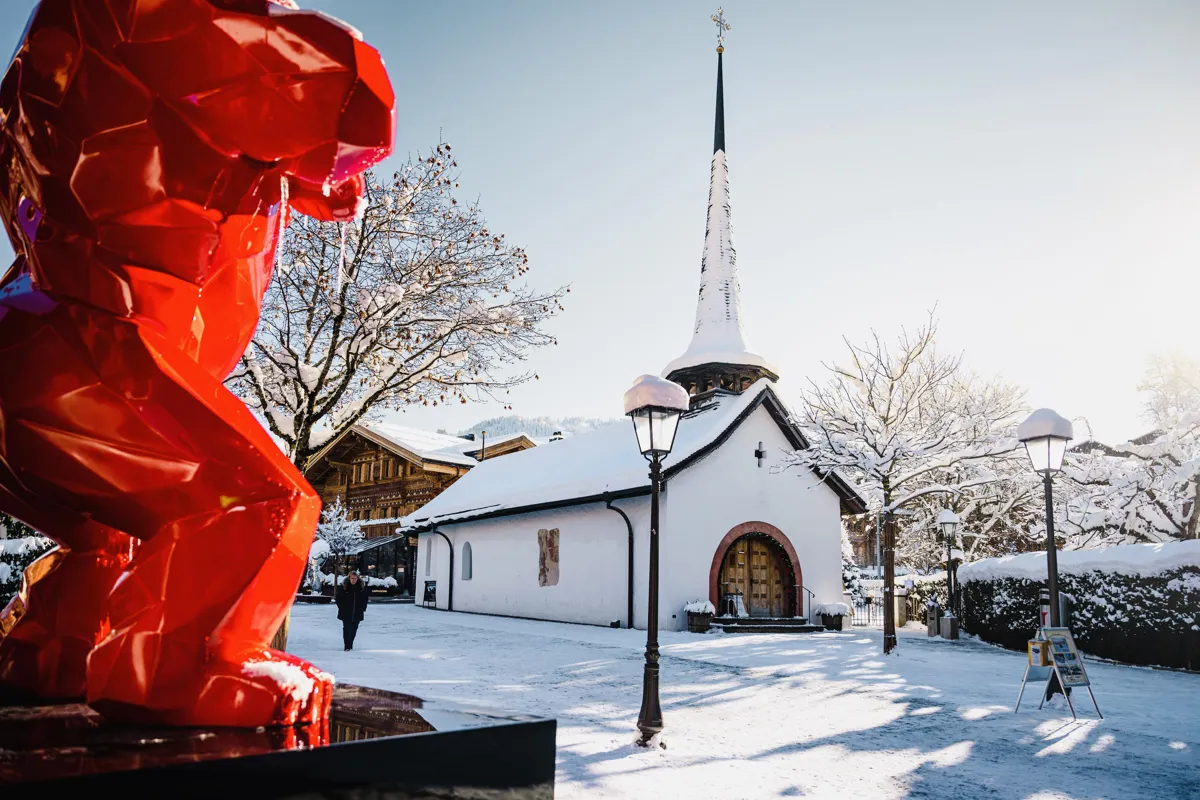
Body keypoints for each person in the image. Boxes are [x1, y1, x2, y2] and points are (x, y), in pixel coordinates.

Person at [336, 570, 369, 651]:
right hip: (346, 612)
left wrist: (363, 608)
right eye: (352, 578)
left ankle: (350, 643)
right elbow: (338, 599)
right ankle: (347, 645)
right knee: (347, 629)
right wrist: (342, 608)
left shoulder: (361, 588)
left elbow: (365, 599)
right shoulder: (344, 587)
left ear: (357, 579)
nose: (353, 580)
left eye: (355, 578)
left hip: (357, 612)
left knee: (354, 629)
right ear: (349, 578)